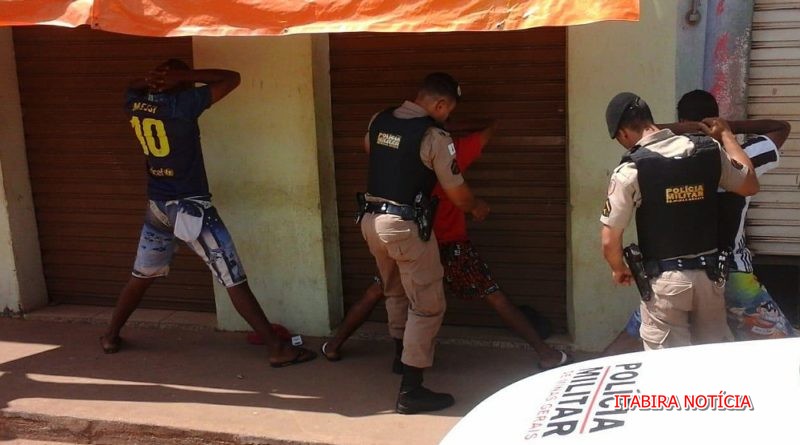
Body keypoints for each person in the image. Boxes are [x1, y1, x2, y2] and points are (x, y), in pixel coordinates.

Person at [99, 59, 316, 368]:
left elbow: (130, 85)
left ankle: (110, 336)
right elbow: (232, 77)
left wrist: (152, 79)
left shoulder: (135, 104)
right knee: (233, 279)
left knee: (141, 276)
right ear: (182, 84)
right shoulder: (183, 105)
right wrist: (184, 76)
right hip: (192, 209)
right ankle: (276, 349)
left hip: (158, 206)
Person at [320, 120, 571, 371]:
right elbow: (482, 139)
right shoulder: (449, 149)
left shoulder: (398, 158)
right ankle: (545, 353)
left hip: (412, 241)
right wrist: (500, 123)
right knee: (491, 293)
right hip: (449, 244)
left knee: (379, 290)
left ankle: (334, 345)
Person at [602, 90, 795, 356]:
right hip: (726, 270)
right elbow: (781, 128)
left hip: (670, 275)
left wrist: (683, 128)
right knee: (778, 346)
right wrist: (726, 130)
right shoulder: (736, 155)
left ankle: (587, 371)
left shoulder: (651, 162)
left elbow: (644, 135)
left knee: (651, 339)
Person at [358, 72, 490, 414]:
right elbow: (457, 194)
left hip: (371, 220)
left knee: (394, 291)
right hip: (404, 226)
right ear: (440, 104)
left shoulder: (378, 120)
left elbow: (372, 152)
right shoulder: (434, 137)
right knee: (427, 304)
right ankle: (411, 390)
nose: (448, 118)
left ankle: (400, 359)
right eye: (449, 112)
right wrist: (476, 206)